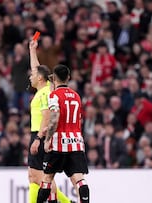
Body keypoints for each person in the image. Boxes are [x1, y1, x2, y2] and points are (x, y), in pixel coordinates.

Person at [37, 64, 90, 203]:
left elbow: (55, 116)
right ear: (69, 77)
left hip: (58, 143)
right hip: (76, 142)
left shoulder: (54, 95)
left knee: (47, 178)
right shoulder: (77, 96)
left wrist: (47, 139)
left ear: (54, 78)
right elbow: (78, 119)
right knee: (79, 179)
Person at [28, 40, 72, 203]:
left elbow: (47, 115)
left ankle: (66, 202)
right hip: (37, 134)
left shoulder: (46, 92)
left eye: (33, 75)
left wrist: (39, 138)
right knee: (34, 176)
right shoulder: (42, 88)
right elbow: (36, 69)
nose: (30, 77)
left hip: (41, 135)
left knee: (40, 177)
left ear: (39, 78)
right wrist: (32, 50)